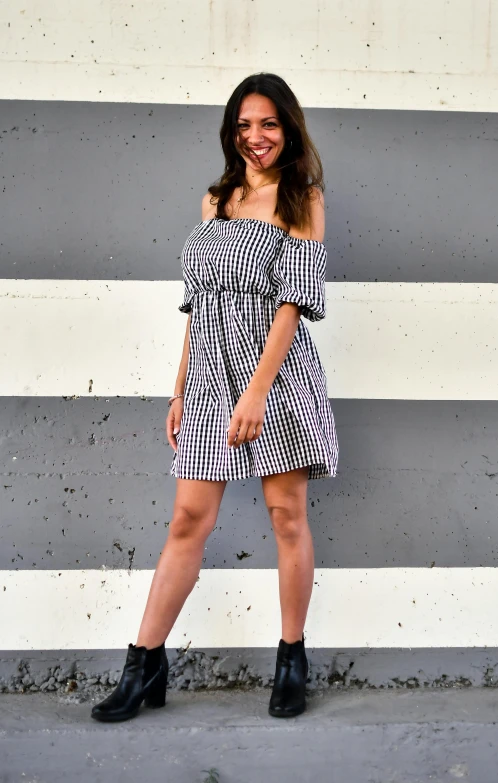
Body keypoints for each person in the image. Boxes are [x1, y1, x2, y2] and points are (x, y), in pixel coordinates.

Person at [91, 72, 339, 723]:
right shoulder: (215, 199)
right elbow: (199, 306)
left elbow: (294, 303)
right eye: (243, 125)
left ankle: (291, 658)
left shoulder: (302, 197)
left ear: (288, 127)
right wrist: (181, 389)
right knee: (186, 523)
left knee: (287, 516)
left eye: (268, 124)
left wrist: (256, 391)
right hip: (207, 380)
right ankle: (144, 664)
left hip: (274, 378)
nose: (255, 137)